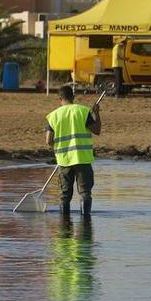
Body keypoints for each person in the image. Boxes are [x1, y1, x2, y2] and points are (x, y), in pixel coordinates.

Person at [44, 85, 103, 217]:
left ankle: (64, 226)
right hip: (83, 159)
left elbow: (48, 140)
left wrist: (59, 149)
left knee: (64, 195)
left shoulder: (53, 115)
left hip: (64, 160)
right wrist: (96, 113)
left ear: (59, 98)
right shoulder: (83, 111)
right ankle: (86, 223)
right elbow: (97, 130)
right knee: (85, 193)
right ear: (73, 97)